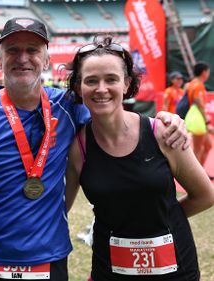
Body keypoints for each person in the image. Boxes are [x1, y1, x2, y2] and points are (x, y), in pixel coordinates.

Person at [0, 17, 190, 281]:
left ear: (47, 60)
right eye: (13, 50)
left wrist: (166, 119)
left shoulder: (69, 105)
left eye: (33, 50)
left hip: (50, 257)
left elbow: (113, 116)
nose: (23, 58)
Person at [65, 35, 214, 281]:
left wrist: (157, 221)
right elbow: (60, 209)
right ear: (79, 87)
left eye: (111, 79)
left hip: (175, 270)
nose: (101, 89)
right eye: (91, 81)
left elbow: (205, 195)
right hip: (110, 270)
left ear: (126, 84)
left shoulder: (163, 133)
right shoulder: (78, 148)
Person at [186, 62, 211, 166]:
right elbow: (199, 103)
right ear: (204, 72)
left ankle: (201, 171)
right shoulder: (198, 85)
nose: (209, 73)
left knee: (208, 146)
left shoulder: (191, 83)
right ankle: (195, 177)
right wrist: (206, 120)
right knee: (198, 149)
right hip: (199, 120)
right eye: (208, 71)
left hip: (197, 118)